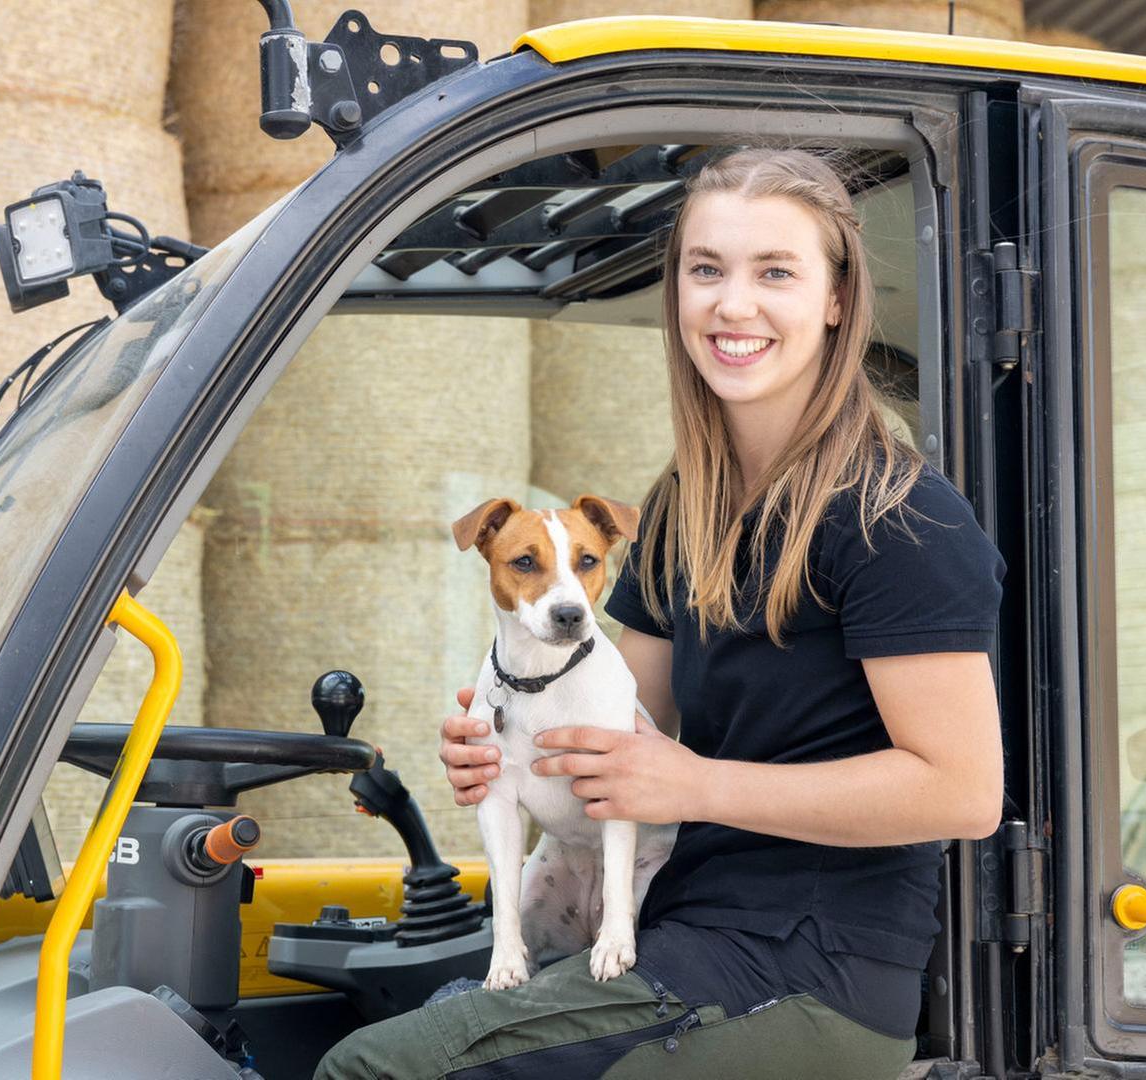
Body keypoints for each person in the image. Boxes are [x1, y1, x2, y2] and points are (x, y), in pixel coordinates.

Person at [314, 147, 1007, 1079]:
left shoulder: (902, 518)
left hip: (808, 971)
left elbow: (961, 793)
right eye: (706, 269)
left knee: (372, 1071)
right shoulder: (688, 503)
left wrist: (697, 785)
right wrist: (506, 737)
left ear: (836, 299)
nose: (733, 304)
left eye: (775, 273)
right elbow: (618, 723)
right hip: (676, 924)